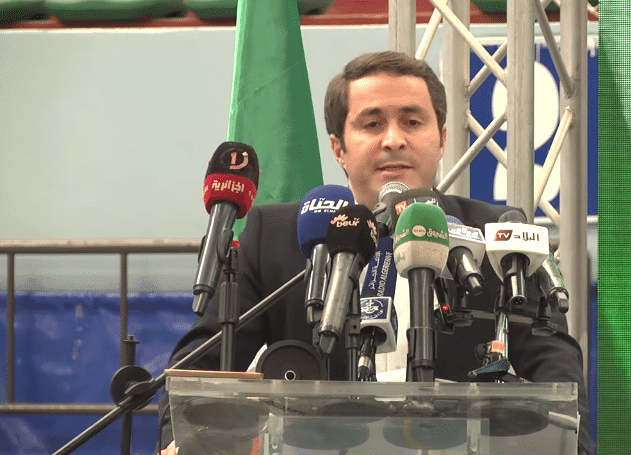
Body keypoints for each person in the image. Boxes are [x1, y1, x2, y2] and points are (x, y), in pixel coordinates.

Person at [158, 50, 593, 455]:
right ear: (338, 148)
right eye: (372, 124)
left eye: (412, 122)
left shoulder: (496, 233)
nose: (394, 140)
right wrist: (180, 443)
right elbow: (202, 366)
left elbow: (554, 366)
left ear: (442, 139)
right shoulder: (276, 236)